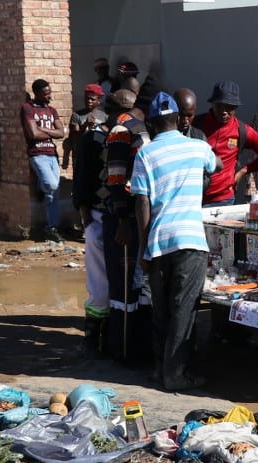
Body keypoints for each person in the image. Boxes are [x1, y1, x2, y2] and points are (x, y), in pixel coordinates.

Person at [131, 92, 220, 391]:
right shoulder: (198, 147)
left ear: (151, 125)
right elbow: (217, 165)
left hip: (158, 242)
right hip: (190, 241)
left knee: (162, 310)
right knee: (184, 309)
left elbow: (142, 203)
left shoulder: (145, 154)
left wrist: (143, 249)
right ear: (178, 120)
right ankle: (176, 375)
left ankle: (160, 370)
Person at [101, 88, 152, 363]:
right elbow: (119, 177)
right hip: (131, 217)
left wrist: (124, 218)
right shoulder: (130, 129)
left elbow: (119, 177)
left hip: (131, 217)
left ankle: (129, 348)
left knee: (130, 285)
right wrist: (124, 218)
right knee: (128, 285)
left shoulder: (127, 130)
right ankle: (127, 349)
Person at [193, 80, 258, 207]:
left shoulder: (242, 130)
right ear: (213, 104)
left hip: (224, 200)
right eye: (219, 105)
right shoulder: (196, 125)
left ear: (236, 107)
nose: (224, 111)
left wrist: (243, 171)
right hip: (194, 198)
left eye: (229, 107)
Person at [71, 110, 111, 353]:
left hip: (130, 222)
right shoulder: (92, 139)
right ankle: (93, 335)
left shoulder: (140, 135)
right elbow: (81, 179)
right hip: (99, 218)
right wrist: (86, 217)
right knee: (98, 282)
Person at [20, 78, 66, 243]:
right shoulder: (27, 108)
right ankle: (41, 185)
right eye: (46, 94)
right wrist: (50, 131)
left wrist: (42, 129)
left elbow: (61, 133)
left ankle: (52, 228)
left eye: (50, 93)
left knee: (54, 194)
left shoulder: (51, 110)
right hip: (37, 154)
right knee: (51, 185)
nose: (49, 97)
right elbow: (33, 134)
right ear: (37, 93)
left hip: (52, 154)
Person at [63, 83, 105, 170]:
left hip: (99, 155)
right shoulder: (77, 115)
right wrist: (85, 125)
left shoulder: (104, 116)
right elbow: (74, 138)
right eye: (87, 98)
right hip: (82, 155)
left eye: (92, 99)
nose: (89, 101)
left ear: (99, 100)